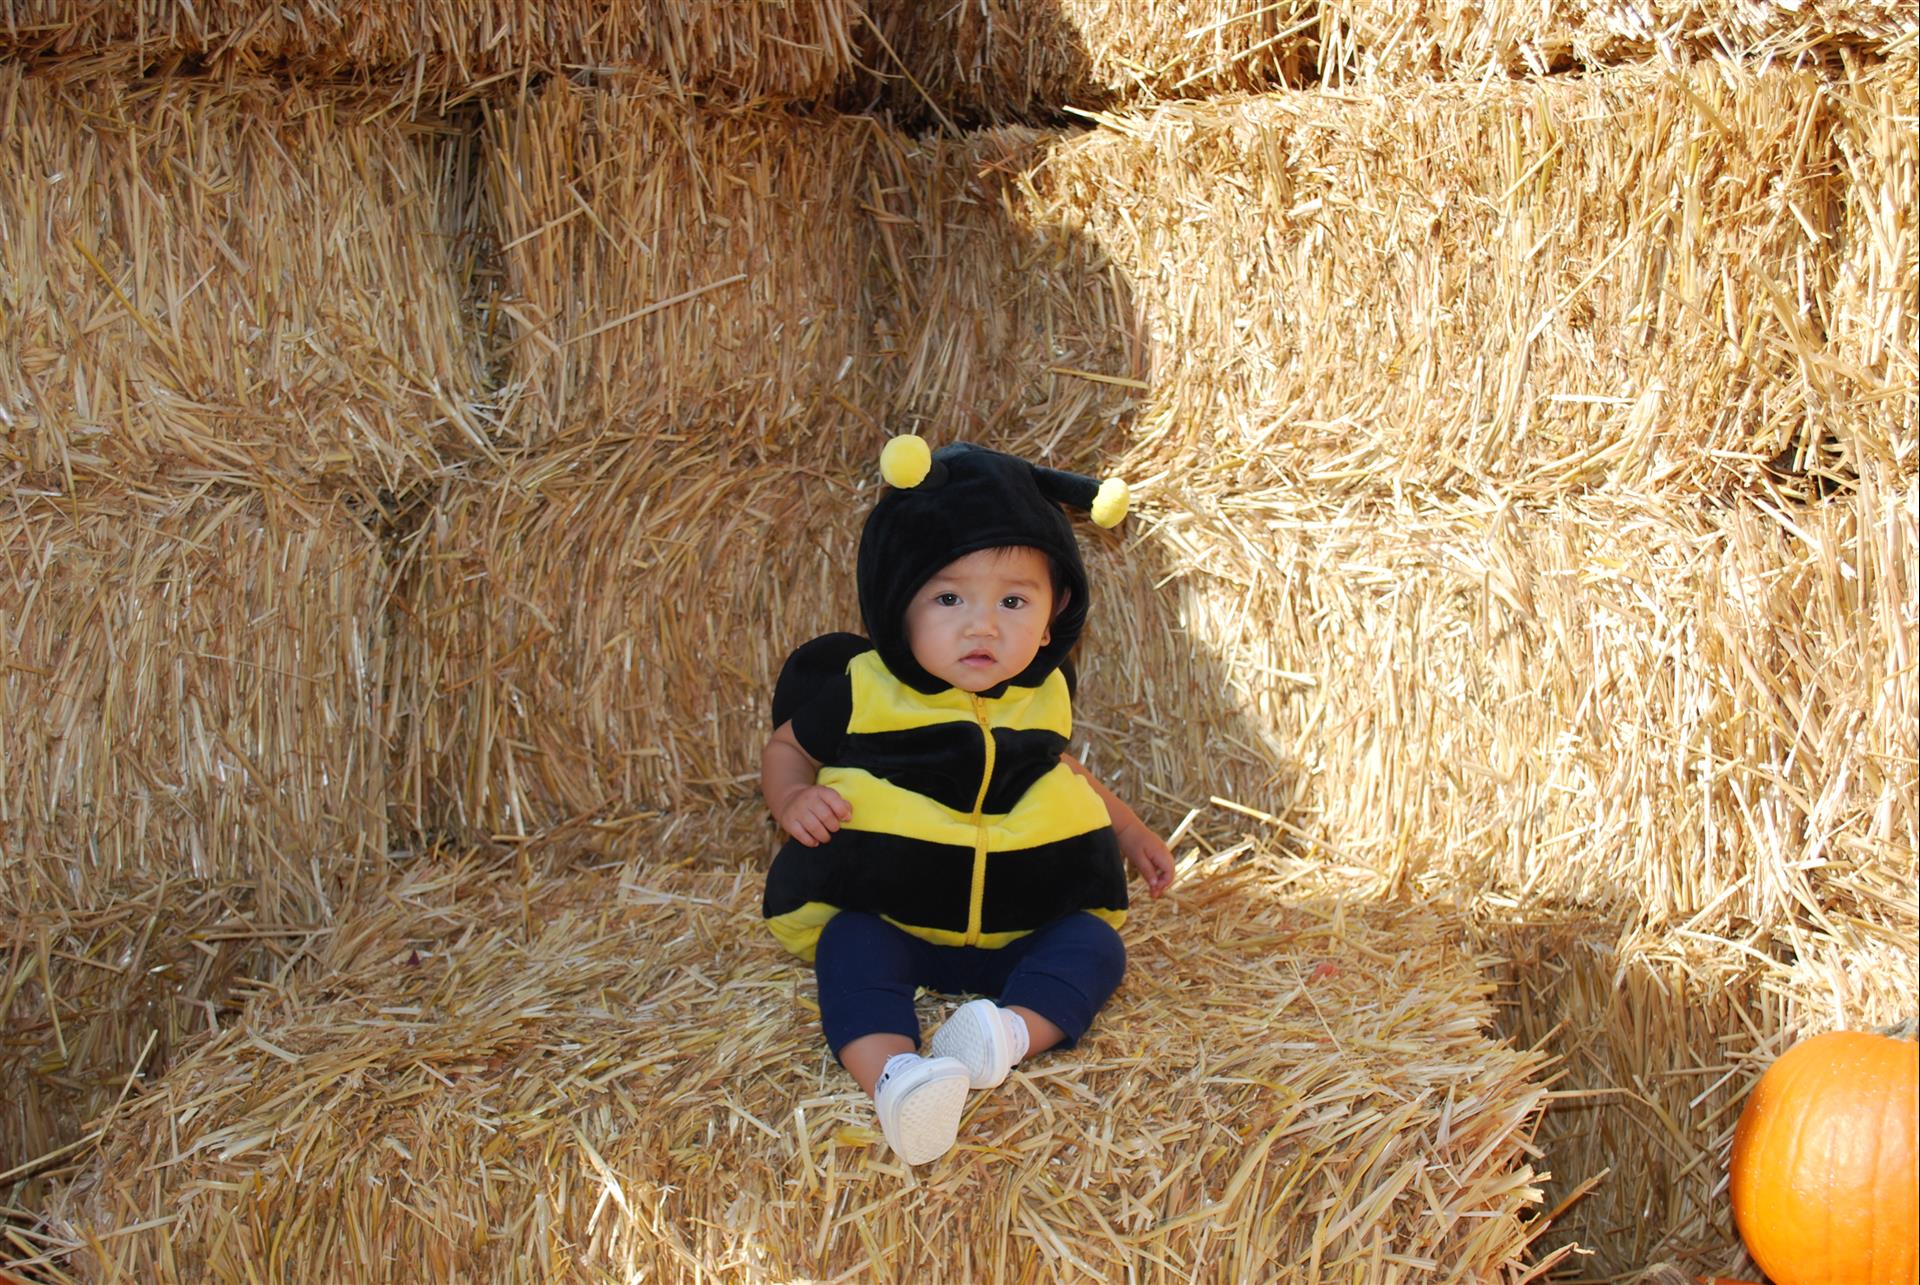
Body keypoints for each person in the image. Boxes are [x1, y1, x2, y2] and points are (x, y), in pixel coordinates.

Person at [760, 434, 1176, 1166]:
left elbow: (1062, 774)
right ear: (900, 605)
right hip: (899, 920)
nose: (982, 624)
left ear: (1052, 620)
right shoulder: (867, 687)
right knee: (846, 946)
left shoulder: (1042, 694)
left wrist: (1132, 831)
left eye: (1014, 600)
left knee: (1097, 946)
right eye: (949, 597)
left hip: (1022, 930)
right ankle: (897, 1075)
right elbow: (787, 744)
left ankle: (1002, 1035)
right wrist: (792, 796)